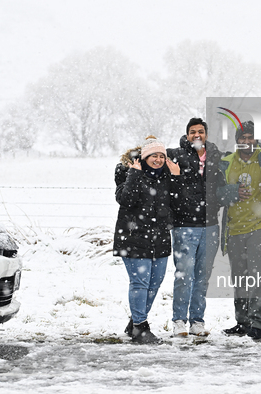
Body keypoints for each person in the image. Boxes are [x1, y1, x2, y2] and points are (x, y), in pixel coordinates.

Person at [113, 135, 181, 344]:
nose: (158, 159)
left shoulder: (166, 177)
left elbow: (178, 204)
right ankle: (140, 328)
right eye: (154, 156)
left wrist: (177, 177)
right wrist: (134, 173)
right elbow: (125, 199)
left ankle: (135, 322)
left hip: (159, 238)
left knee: (155, 282)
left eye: (162, 156)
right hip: (133, 238)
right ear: (144, 158)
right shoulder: (128, 173)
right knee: (140, 283)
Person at [217, 121, 261, 340]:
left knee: (259, 276)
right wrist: (231, 191)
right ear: (237, 140)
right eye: (243, 138)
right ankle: (242, 321)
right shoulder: (227, 162)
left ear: (256, 140)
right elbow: (215, 192)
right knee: (240, 277)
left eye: (251, 137)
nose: (247, 142)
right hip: (234, 227)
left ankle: (258, 324)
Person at [166, 118, 222, 337]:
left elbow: (222, 185)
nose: (196, 135)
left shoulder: (216, 157)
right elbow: (150, 157)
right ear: (187, 135)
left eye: (200, 131)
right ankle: (179, 320)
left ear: (206, 134)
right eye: (192, 132)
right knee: (184, 274)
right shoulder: (176, 155)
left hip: (210, 225)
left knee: (202, 276)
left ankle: (197, 321)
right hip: (184, 225)